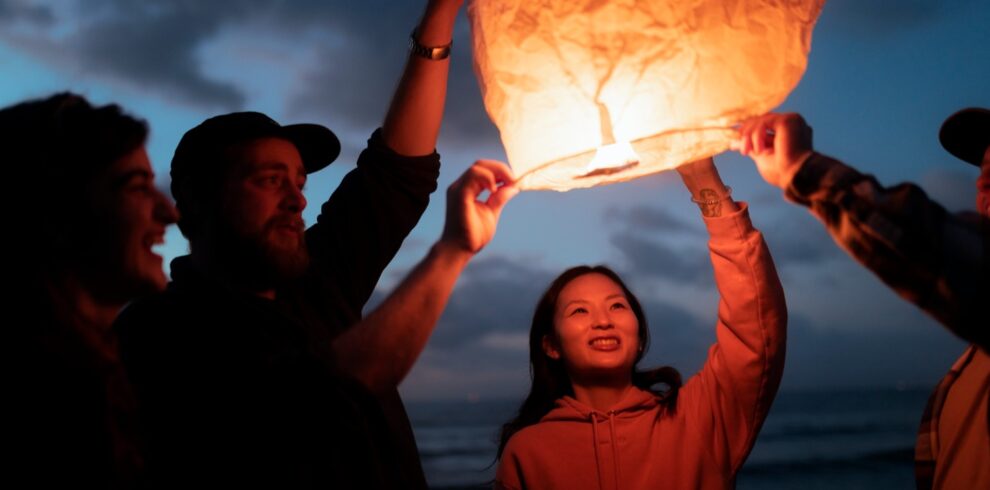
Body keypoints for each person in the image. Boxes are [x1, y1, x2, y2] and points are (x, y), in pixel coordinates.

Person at [115, 1, 519, 488]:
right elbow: (323, 395)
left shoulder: (318, 279)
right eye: (269, 179)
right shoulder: (158, 330)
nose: (296, 200)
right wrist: (450, 252)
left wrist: (440, 14)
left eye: (299, 182)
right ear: (198, 203)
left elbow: (394, 175)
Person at [495, 158, 787, 490]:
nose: (603, 321)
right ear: (551, 345)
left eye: (617, 306)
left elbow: (756, 325)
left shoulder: (698, 420)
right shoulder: (527, 452)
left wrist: (701, 177)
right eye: (580, 311)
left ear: (639, 334)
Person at [735, 109, 989, 490]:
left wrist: (803, 169)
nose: (984, 182)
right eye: (984, 167)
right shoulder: (967, 374)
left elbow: (934, 248)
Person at [4, 92, 178, 488]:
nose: (169, 213)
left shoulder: (106, 378)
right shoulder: (47, 398)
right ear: (54, 210)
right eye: (137, 188)